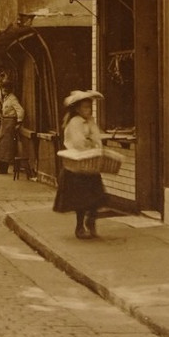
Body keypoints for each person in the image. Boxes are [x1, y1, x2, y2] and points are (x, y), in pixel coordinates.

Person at [53, 90, 107, 238]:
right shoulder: (75, 122)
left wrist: (94, 143)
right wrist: (90, 142)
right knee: (81, 201)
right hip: (77, 165)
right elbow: (78, 143)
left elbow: (96, 139)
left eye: (89, 107)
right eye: (85, 108)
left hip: (89, 164)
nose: (88, 110)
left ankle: (91, 221)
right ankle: (79, 227)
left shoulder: (90, 122)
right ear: (77, 109)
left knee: (96, 197)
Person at [0, 78, 25, 173]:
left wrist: (19, 122)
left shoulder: (12, 98)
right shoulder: (5, 98)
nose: (4, 90)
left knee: (5, 146)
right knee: (0, 145)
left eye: (6, 88)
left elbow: (20, 110)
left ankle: (3, 168)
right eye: (3, 88)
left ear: (10, 89)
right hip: (4, 122)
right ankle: (2, 167)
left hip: (10, 123)